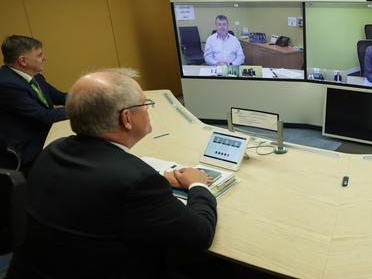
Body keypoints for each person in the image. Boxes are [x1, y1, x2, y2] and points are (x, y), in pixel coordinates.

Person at [9, 69, 217, 279]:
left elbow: (98, 189)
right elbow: (200, 235)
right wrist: (197, 185)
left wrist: (162, 179)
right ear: (127, 118)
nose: (148, 109)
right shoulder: (138, 182)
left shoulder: (52, 151)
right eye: (145, 104)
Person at [0, 35, 67, 173]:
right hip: (29, 150)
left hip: (46, 133)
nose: (45, 58)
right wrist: (82, 109)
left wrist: (89, 98)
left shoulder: (35, 76)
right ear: (23, 61)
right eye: (39, 55)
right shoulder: (6, 84)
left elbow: (60, 97)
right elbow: (42, 116)